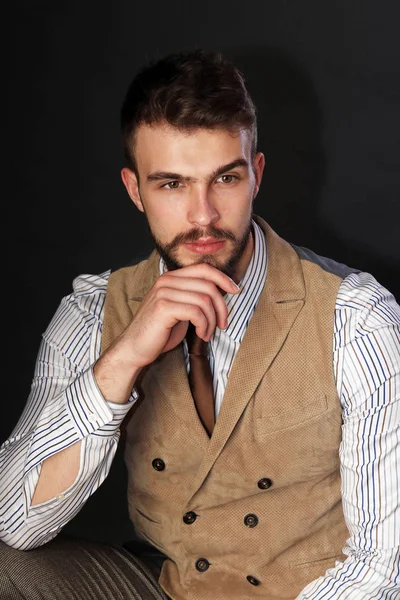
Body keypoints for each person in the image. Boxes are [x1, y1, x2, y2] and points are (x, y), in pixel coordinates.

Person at [0, 49, 399, 600]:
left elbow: (381, 568)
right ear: (134, 189)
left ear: (255, 175)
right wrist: (122, 361)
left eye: (224, 179)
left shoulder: (356, 319)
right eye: (171, 185)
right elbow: (14, 523)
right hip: (167, 587)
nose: (203, 215)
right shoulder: (93, 311)